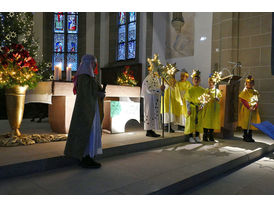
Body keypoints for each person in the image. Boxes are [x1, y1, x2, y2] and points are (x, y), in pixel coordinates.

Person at [64, 54, 105, 168]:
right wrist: (98, 93)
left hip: (93, 109)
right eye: (93, 63)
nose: (95, 65)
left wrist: (100, 94)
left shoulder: (90, 77)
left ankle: (90, 155)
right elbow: (86, 94)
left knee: (92, 132)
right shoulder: (83, 77)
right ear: (88, 64)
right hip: (86, 110)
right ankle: (85, 156)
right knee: (87, 132)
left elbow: (94, 91)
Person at [141, 69, 165, 137]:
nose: (156, 72)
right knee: (150, 114)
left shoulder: (156, 78)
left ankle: (151, 130)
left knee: (154, 114)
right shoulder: (147, 79)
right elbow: (149, 89)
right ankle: (148, 131)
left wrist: (161, 89)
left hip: (155, 100)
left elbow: (158, 87)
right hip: (150, 100)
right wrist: (160, 89)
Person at [184, 70, 205, 143]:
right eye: (195, 79)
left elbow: (204, 99)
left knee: (198, 123)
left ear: (200, 80)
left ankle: (197, 136)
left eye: (198, 79)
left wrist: (202, 105)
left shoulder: (202, 90)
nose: (196, 80)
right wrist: (188, 109)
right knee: (191, 122)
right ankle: (190, 136)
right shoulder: (189, 90)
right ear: (192, 80)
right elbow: (187, 100)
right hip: (192, 108)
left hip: (199, 108)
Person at [238, 75, 261, 142]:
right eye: (248, 83)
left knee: (251, 123)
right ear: (246, 83)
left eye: (251, 83)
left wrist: (255, 106)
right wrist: (248, 107)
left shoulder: (254, 92)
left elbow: (256, 100)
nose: (250, 84)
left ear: (253, 84)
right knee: (246, 122)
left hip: (253, 109)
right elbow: (243, 100)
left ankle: (250, 136)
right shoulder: (245, 91)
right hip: (247, 109)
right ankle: (245, 135)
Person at [202, 74, 222, 142]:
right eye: (209, 82)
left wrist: (217, 99)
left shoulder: (217, 91)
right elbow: (204, 98)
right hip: (208, 107)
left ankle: (211, 135)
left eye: (212, 83)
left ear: (214, 83)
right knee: (207, 121)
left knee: (213, 121)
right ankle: (205, 135)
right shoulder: (207, 90)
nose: (210, 84)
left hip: (214, 108)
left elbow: (220, 98)